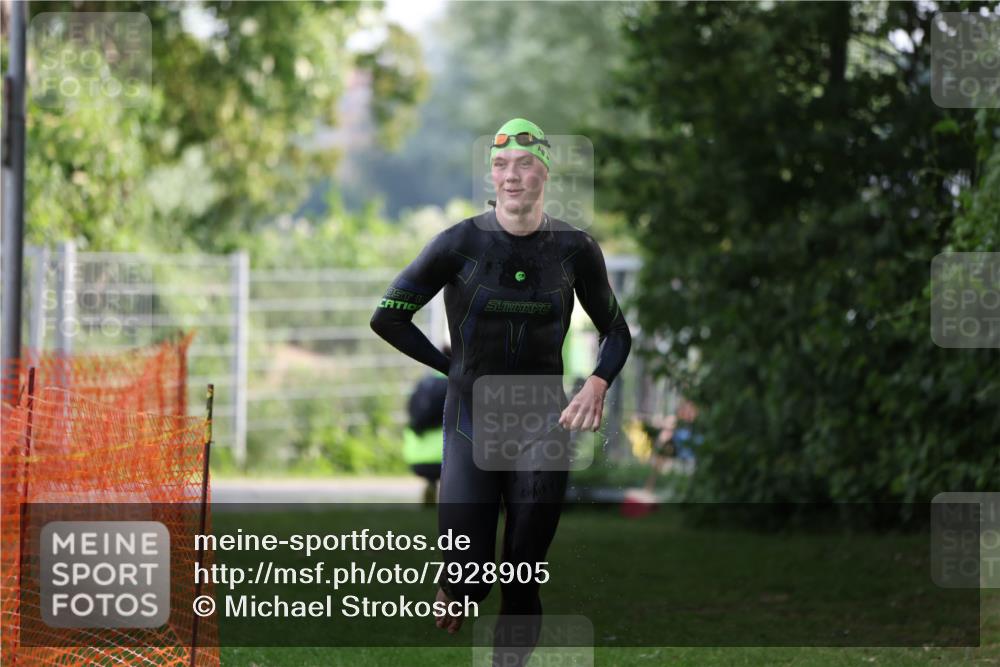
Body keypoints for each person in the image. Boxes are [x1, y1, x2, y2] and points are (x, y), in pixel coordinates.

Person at [370, 118, 631, 664]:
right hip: (470, 418)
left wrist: (598, 383)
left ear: (545, 174)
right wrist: (449, 367)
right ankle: (457, 584)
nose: (511, 176)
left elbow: (616, 329)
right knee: (469, 580)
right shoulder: (458, 243)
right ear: (492, 174)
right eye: (500, 165)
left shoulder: (575, 249)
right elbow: (388, 317)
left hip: (543, 424)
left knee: (521, 572)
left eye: (524, 164)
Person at [403, 345, 449, 506]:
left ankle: (431, 486)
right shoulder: (456, 385)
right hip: (446, 458)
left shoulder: (423, 385)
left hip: (415, 457)